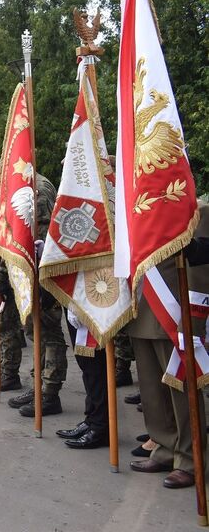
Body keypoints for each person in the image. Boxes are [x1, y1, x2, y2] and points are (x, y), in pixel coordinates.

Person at [129, 205, 209, 489]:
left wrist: (194, 321)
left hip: (175, 315)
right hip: (143, 310)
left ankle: (189, 459)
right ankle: (164, 447)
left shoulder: (194, 208)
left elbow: (200, 271)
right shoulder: (136, 209)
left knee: (182, 391)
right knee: (151, 390)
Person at [8, 173, 67, 417]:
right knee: (34, 331)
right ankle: (38, 386)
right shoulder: (22, 184)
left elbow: (41, 232)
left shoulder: (38, 187)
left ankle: (50, 393)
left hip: (42, 268)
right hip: (28, 270)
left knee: (49, 332)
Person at [56, 310, 111, 449]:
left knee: (95, 364)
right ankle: (92, 419)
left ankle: (100, 426)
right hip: (76, 297)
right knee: (85, 362)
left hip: (92, 301)